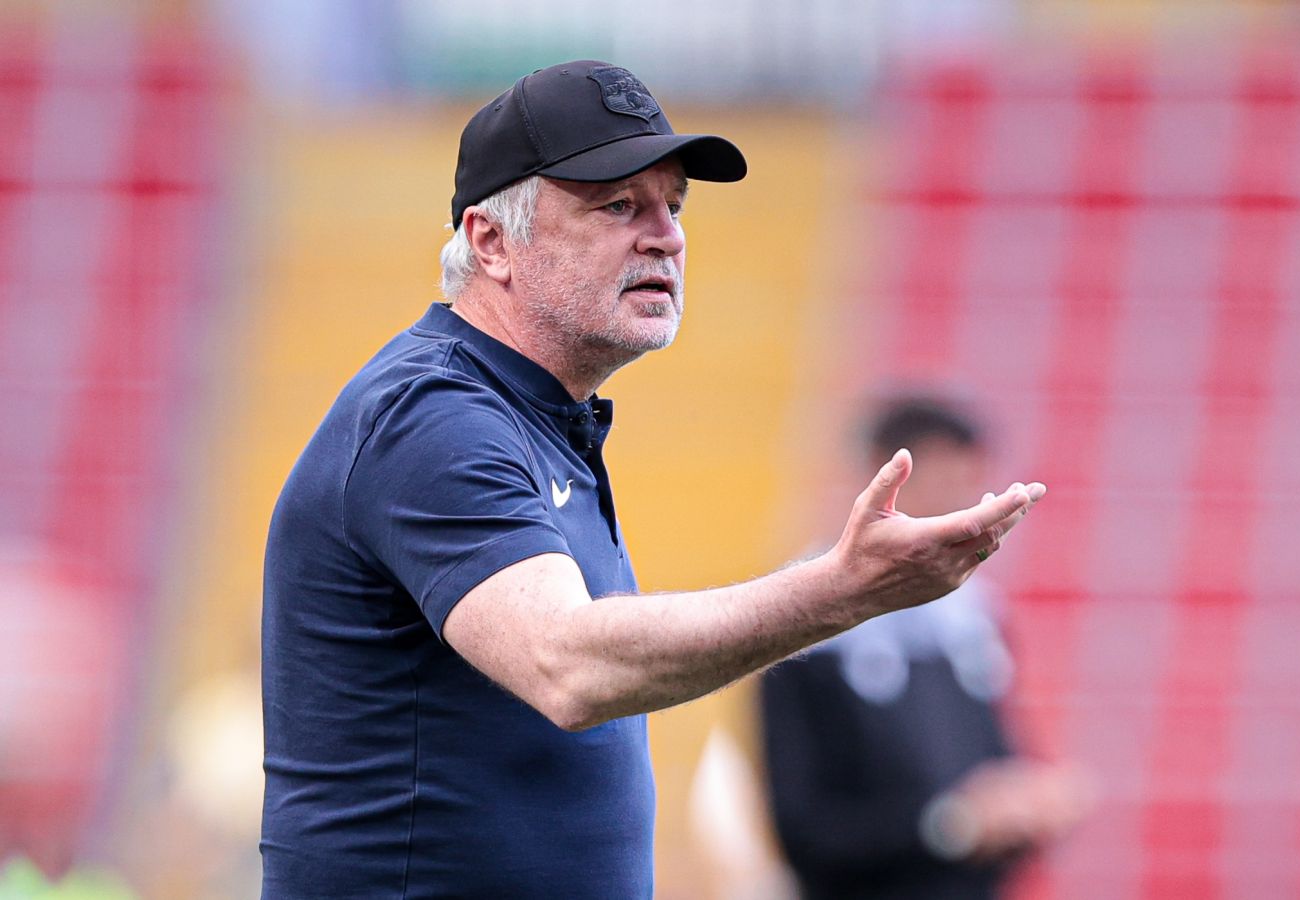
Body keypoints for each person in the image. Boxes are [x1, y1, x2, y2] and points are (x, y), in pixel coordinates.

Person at [260, 61, 1047, 899]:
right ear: (491, 242)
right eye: (617, 205)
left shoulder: (535, 417)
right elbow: (567, 666)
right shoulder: (433, 414)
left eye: (674, 205)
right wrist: (843, 590)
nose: (665, 236)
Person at [758, 395, 1092, 900]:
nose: (965, 510)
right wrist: (950, 826)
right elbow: (806, 835)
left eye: (968, 484)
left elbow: (996, 767)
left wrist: (1027, 803)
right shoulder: (802, 628)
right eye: (943, 482)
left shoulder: (974, 622)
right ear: (881, 478)